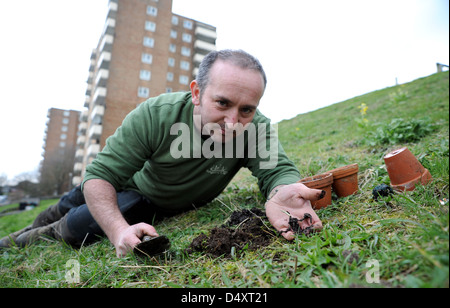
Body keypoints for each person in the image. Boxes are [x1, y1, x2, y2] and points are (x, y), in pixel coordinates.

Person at [0, 50, 323, 257]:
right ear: (197, 93)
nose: (232, 121)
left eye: (247, 109)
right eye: (222, 103)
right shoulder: (158, 114)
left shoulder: (257, 128)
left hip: (146, 201)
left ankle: (18, 243)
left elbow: (277, 170)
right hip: (120, 183)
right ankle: (17, 234)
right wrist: (118, 230)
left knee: (75, 226)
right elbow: (100, 176)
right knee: (68, 203)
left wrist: (282, 191)